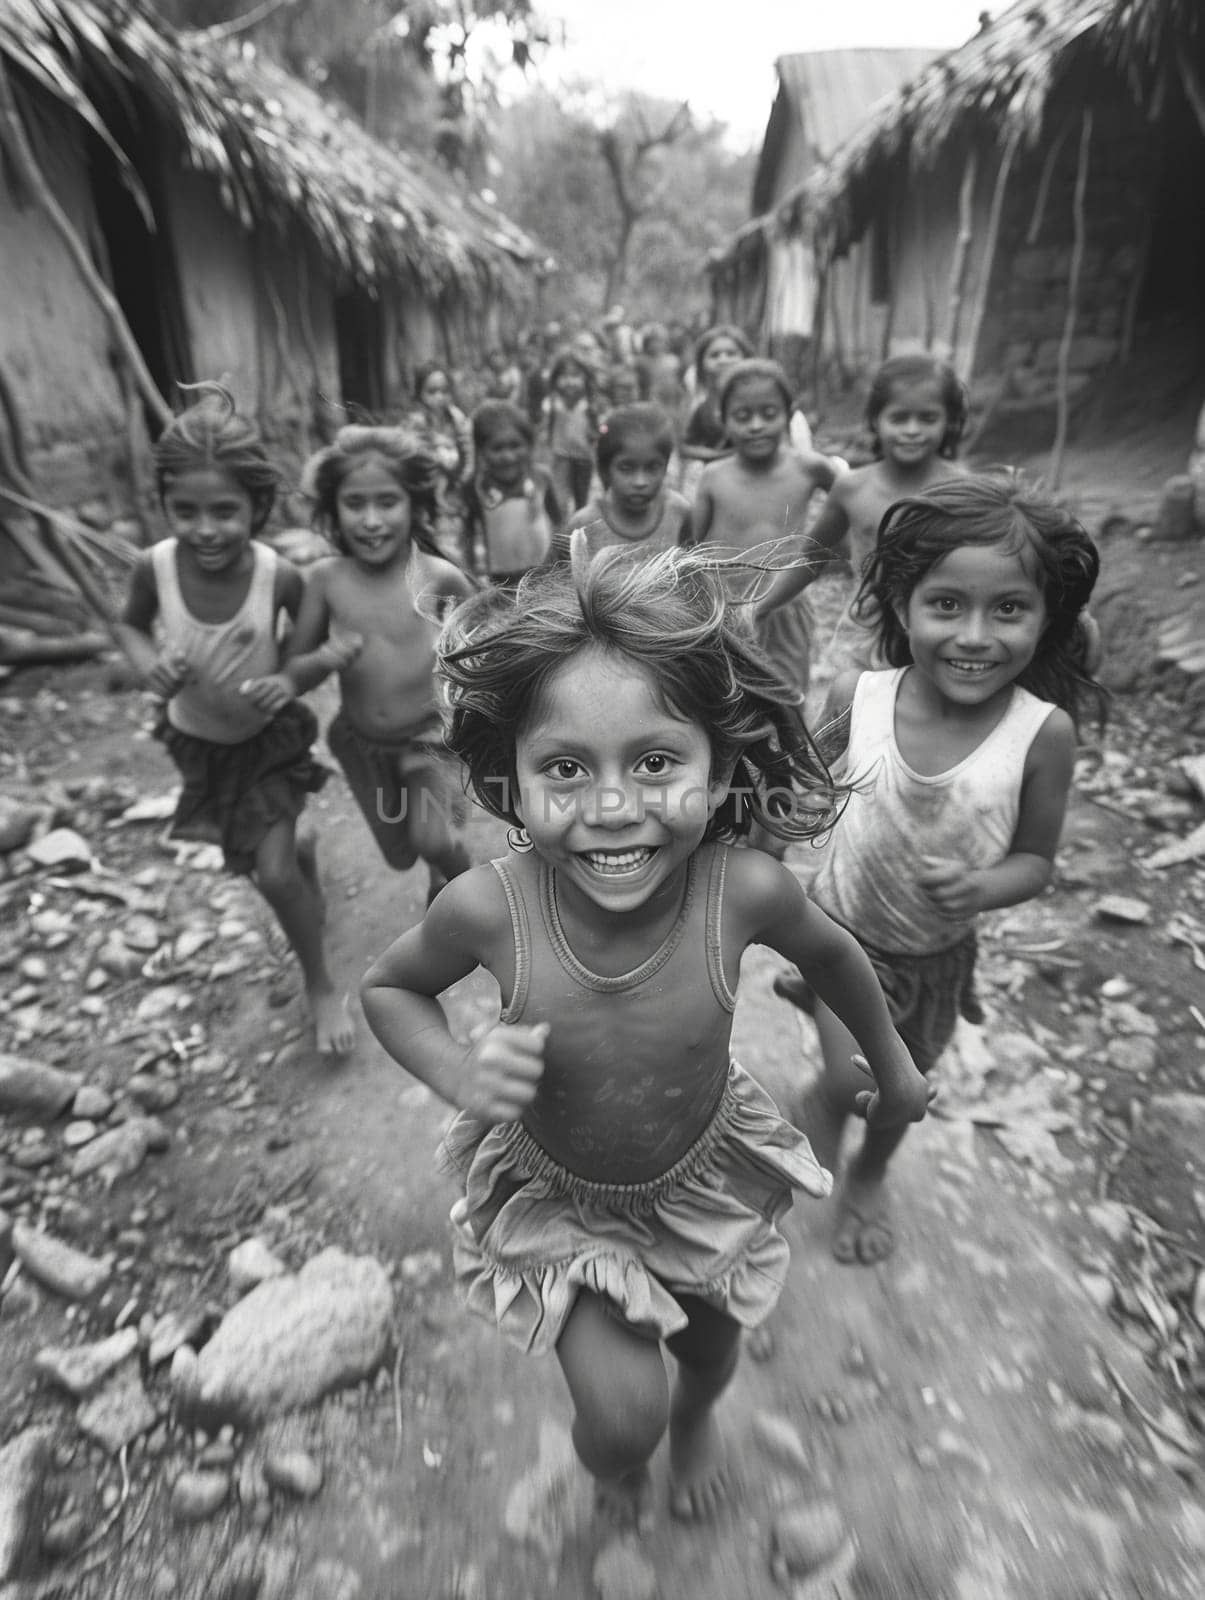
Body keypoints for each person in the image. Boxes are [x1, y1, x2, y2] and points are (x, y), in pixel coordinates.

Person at [361, 541, 931, 1535]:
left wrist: (888, 1063)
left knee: (708, 1351)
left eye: (655, 760)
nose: (613, 805)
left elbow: (837, 958)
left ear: (716, 772)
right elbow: (391, 988)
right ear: (509, 777)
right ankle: (620, 1453)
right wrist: (458, 1071)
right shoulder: (487, 909)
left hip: (702, 1175)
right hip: (560, 1196)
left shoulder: (739, 893)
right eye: (566, 769)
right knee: (621, 1417)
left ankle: (701, 1418)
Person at [776, 474, 1105, 1267]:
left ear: (1046, 618)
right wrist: (773, 821)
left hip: (934, 960)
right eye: (947, 604)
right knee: (858, 1082)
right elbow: (798, 786)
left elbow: (1033, 862)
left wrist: (982, 887)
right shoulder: (858, 696)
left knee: (901, 1095)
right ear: (901, 606)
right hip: (839, 941)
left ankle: (868, 1174)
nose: (974, 635)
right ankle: (815, 1112)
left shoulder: (1041, 735)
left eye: (1008, 609)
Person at [115, 384, 353, 1056]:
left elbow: (306, 658)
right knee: (265, 862)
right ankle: (300, 850)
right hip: (199, 742)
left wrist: (290, 676)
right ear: (162, 503)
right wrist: (146, 666)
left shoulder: (277, 577)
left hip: (264, 743)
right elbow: (130, 628)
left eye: (225, 511)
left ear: (257, 506)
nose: (205, 529)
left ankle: (319, 984)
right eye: (184, 510)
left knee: (273, 877)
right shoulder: (153, 568)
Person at [285, 425, 475, 907]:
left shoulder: (439, 576)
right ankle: (440, 872)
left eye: (387, 502)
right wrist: (324, 659)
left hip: (431, 740)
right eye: (355, 504)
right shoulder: (325, 580)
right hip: (362, 744)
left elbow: (489, 644)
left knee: (434, 840)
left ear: (415, 505)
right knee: (401, 854)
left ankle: (466, 887)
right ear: (333, 510)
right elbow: (293, 673)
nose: (371, 520)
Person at [754, 353, 968, 680]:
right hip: (867, 629)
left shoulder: (965, 490)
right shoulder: (853, 489)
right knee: (851, 708)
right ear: (875, 420)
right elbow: (812, 557)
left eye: (927, 418)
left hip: (942, 628)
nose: (912, 430)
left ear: (949, 421)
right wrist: (761, 606)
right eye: (899, 418)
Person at [690, 359, 841, 793]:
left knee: (787, 693)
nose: (756, 426)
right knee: (722, 694)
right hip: (724, 607)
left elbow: (847, 498)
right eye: (743, 416)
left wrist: (843, 546)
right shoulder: (714, 475)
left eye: (768, 414)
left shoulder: (808, 468)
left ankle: (786, 785)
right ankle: (725, 785)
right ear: (723, 418)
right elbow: (693, 545)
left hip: (784, 603)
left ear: (788, 414)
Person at [548, 403, 690, 564]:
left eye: (652, 468)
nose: (640, 482)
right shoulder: (582, 526)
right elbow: (553, 579)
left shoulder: (679, 514)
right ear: (605, 469)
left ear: (665, 467)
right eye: (626, 468)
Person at [463, 401, 562, 587]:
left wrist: (560, 566)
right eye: (497, 448)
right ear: (482, 451)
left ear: (529, 445)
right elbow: (468, 536)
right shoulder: (477, 488)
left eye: (515, 446)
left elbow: (557, 523)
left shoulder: (540, 479)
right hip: (500, 580)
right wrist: (472, 577)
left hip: (543, 574)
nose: (508, 456)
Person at [405, 361, 472, 563]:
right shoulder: (415, 422)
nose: (439, 397)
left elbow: (468, 450)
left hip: (456, 489)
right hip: (428, 491)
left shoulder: (457, 418)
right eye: (432, 392)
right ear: (420, 394)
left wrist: (463, 472)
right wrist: (438, 459)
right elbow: (414, 455)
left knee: (458, 540)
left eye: (444, 391)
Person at [677, 324, 752, 499]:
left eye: (731, 353)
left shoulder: (763, 399)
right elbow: (685, 447)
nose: (723, 360)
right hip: (719, 484)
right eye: (714, 355)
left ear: (746, 358)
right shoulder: (704, 407)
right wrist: (719, 455)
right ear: (702, 365)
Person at [543, 351, 597, 512]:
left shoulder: (590, 404)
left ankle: (581, 530)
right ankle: (559, 530)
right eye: (564, 376)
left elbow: (599, 429)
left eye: (575, 376)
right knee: (557, 498)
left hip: (583, 457)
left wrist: (597, 433)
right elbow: (546, 429)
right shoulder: (553, 403)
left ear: (585, 379)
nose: (570, 382)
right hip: (560, 457)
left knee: (582, 499)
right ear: (556, 379)